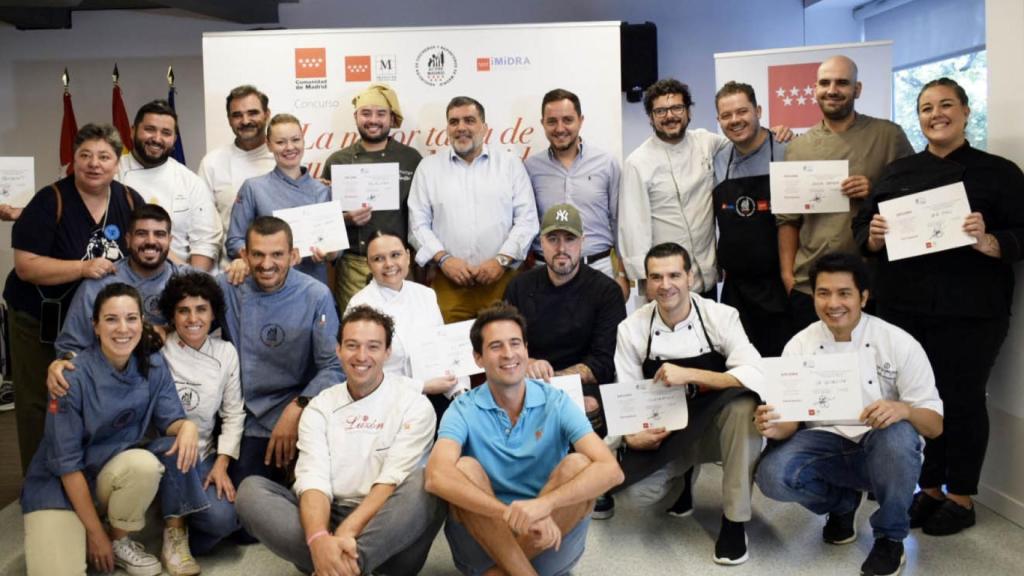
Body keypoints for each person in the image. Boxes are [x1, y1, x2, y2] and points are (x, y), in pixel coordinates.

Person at [852, 77, 1024, 536]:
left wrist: (990, 241)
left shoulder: (1000, 172)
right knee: (914, 400)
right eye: (926, 108)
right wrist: (872, 236)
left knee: (963, 400)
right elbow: (863, 229)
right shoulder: (897, 172)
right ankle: (928, 489)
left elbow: (1022, 234)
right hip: (903, 310)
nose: (936, 114)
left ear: (966, 112)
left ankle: (961, 496)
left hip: (972, 311)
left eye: (946, 105)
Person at [755, 252, 943, 576]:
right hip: (824, 445)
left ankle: (889, 538)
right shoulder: (800, 345)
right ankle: (842, 505)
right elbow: (789, 423)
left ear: (864, 297)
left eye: (844, 293)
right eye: (823, 293)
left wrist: (904, 409)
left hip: (883, 452)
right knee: (771, 476)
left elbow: (935, 426)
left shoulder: (898, 342)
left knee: (898, 435)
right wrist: (771, 426)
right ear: (813, 296)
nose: (833, 303)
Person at [47, 272, 247, 575]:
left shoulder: (226, 352)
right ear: (171, 316)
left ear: (214, 313)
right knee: (171, 446)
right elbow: (108, 348)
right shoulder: (155, 348)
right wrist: (61, 361)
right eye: (183, 311)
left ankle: (166, 523)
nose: (193, 318)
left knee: (223, 521)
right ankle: (172, 532)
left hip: (202, 454)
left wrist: (221, 462)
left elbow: (233, 413)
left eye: (201, 310)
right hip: (156, 451)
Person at [236, 305, 445, 576]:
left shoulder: (415, 405)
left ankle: (340, 566)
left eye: (373, 346)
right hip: (328, 516)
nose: (361, 356)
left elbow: (390, 482)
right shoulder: (320, 406)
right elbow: (313, 480)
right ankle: (335, 561)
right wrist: (319, 539)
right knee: (250, 491)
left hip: (390, 527)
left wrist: (347, 532)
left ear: (387, 352)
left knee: (427, 482)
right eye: (352, 345)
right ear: (338, 350)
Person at [425, 303, 624, 576]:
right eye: (495, 346)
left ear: (526, 350)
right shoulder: (462, 408)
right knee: (463, 469)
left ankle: (501, 572)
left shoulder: (556, 400)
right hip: (484, 540)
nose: (508, 354)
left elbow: (611, 470)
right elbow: (436, 476)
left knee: (579, 464)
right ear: (478, 358)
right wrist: (509, 514)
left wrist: (543, 507)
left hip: (550, 535)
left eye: (515, 343)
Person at [20, 283, 198, 576]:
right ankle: (92, 530)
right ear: (96, 326)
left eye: (130, 318)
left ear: (142, 322)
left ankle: (118, 541)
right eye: (111, 319)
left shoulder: (153, 365)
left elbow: (170, 420)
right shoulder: (69, 377)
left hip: (108, 474)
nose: (122, 329)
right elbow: (66, 465)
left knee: (145, 465)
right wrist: (95, 535)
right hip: (59, 484)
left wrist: (187, 426)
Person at [4, 123, 145, 473]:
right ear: (74, 161)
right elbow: (26, 266)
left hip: (95, 324)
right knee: (42, 400)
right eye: (85, 155)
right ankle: (40, 483)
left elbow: (146, 249)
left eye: (104, 156)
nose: (94, 164)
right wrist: (82, 269)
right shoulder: (48, 200)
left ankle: (82, 478)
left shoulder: (129, 200)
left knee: (87, 398)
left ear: (117, 163)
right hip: (38, 320)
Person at [613, 242, 763, 565]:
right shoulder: (631, 329)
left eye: (673, 275)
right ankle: (681, 480)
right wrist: (630, 435)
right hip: (667, 433)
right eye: (656, 277)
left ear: (690, 277)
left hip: (714, 429)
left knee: (742, 406)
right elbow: (624, 396)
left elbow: (754, 373)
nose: (665, 286)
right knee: (634, 495)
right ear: (646, 282)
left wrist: (691, 375)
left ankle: (735, 522)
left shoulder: (720, 316)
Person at [777, 55, 914, 330]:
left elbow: (913, 199)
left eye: (842, 82)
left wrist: (873, 192)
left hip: (870, 285)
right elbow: (788, 220)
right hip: (811, 285)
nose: (832, 90)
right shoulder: (797, 148)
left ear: (857, 89)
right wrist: (787, 276)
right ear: (815, 89)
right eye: (825, 83)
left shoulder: (888, 136)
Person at [218, 216, 342, 487]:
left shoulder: (316, 294)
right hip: (247, 415)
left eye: (277, 254)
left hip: (300, 408)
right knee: (246, 503)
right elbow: (186, 298)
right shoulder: (229, 287)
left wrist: (298, 408)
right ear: (244, 255)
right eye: (257, 255)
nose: (266, 264)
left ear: (294, 255)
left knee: (312, 492)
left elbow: (333, 366)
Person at [408, 96, 538, 322]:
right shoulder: (428, 168)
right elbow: (417, 225)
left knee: (503, 351)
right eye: (454, 122)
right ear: (447, 128)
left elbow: (526, 221)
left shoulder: (509, 165)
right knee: (448, 353)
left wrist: (500, 260)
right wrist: (445, 260)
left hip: (503, 281)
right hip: (448, 283)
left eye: (469, 120)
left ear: (484, 127)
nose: (461, 128)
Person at [504, 203, 625, 434]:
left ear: (583, 241)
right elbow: (504, 342)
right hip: (526, 381)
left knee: (589, 406)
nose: (561, 248)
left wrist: (553, 380)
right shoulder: (520, 286)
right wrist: (528, 364)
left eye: (570, 239)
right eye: (553, 239)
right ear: (541, 242)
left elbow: (603, 362)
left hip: (582, 386)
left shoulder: (606, 291)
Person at [322, 84, 423, 312]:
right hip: (353, 265)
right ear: (356, 116)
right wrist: (346, 219)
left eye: (381, 114)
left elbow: (422, 215)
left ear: (392, 118)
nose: (373, 120)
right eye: (366, 113)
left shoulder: (411, 159)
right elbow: (323, 224)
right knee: (357, 331)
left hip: (399, 263)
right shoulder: (337, 161)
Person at [346, 229, 466, 419]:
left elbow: (445, 351)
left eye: (395, 255)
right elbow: (362, 374)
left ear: (408, 256)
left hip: (436, 394)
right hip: (385, 403)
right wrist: (422, 387)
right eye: (378, 259)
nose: (389, 264)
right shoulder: (360, 305)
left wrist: (461, 393)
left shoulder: (426, 295)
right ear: (368, 264)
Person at [525, 88, 628, 298]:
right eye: (552, 121)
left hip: (599, 269)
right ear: (542, 123)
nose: (560, 128)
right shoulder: (530, 168)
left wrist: (624, 274)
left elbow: (620, 222)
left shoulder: (606, 164)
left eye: (568, 120)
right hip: (545, 273)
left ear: (580, 121)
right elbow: (526, 223)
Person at [712, 81, 790, 356]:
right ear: (719, 120)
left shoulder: (787, 149)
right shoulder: (719, 159)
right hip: (736, 290)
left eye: (742, 111)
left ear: (758, 110)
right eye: (726, 115)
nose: (735, 120)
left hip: (780, 287)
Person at [53, 204, 184, 358]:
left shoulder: (186, 281)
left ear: (170, 240)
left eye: (159, 234)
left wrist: (168, 330)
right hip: (111, 373)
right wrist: (65, 363)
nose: (150, 241)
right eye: (141, 234)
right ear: (128, 240)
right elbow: (70, 348)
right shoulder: (100, 284)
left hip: (174, 373)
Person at [226, 113, 335, 285]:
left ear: (304, 142)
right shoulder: (254, 188)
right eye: (280, 142)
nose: (289, 147)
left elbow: (336, 247)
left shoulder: (322, 190)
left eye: (295, 140)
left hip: (312, 284)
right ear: (269, 145)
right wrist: (258, 256)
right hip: (267, 284)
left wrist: (329, 252)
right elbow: (234, 241)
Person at [118, 99, 220, 271]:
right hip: (124, 277)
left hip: (177, 279)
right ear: (132, 131)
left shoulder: (190, 181)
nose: (157, 139)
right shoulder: (113, 173)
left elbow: (205, 242)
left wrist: (192, 284)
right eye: (150, 129)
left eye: (166, 133)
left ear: (174, 139)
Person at [197, 84, 276, 268]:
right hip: (229, 271)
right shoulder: (212, 163)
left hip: (278, 272)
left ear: (267, 114)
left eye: (253, 113)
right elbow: (204, 228)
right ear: (229, 120)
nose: (245, 120)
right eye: (237, 115)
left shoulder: (283, 160)